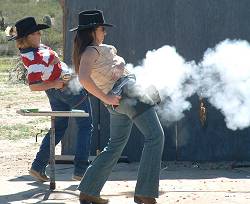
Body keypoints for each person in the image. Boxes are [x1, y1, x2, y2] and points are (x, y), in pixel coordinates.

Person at [71, 10, 165, 204]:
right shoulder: (90, 50)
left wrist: (120, 65)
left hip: (119, 99)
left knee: (115, 146)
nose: (104, 32)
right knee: (155, 137)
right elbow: (83, 78)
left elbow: (117, 60)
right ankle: (145, 193)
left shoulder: (97, 49)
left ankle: (89, 190)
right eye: (102, 29)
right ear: (91, 31)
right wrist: (105, 96)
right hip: (127, 93)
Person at [8, 16, 93, 182]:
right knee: (86, 125)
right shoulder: (35, 58)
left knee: (59, 127)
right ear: (27, 37)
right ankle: (80, 170)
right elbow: (33, 85)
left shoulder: (34, 51)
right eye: (35, 32)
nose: (40, 33)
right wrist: (56, 82)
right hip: (65, 89)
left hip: (56, 91)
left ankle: (38, 166)